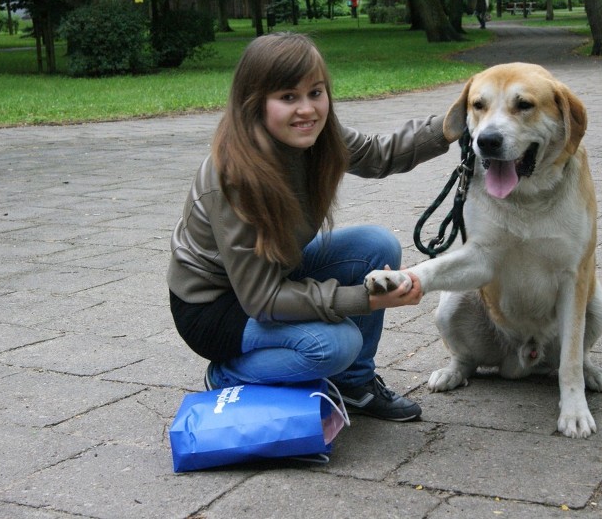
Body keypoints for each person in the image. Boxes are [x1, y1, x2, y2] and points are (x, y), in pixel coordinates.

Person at [167, 32, 456, 422]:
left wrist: (452, 126)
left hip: (274, 271)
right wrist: (363, 300)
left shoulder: (318, 137)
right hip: (217, 307)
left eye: (315, 93)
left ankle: (354, 384)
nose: (307, 109)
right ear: (254, 103)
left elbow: (379, 153)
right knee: (336, 345)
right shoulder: (234, 179)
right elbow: (264, 300)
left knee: (376, 244)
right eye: (288, 97)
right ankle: (228, 373)